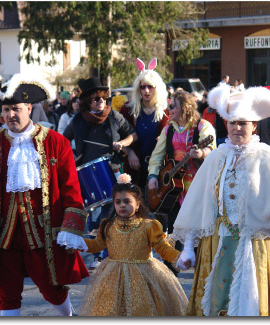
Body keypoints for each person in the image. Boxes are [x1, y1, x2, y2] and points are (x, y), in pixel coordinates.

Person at [0, 73, 90, 316]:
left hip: (42, 235)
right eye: (6, 109)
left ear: (29, 108)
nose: (11, 115)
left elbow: (71, 188)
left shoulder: (56, 142)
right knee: (7, 294)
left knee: (53, 289)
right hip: (4, 236)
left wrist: (70, 227)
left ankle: (70, 317)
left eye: (16, 109)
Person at [171, 85, 270, 316]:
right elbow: (198, 202)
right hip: (219, 241)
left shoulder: (269, 157)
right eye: (232, 123)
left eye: (242, 123)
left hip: (257, 244)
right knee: (218, 302)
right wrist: (189, 248)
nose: (237, 128)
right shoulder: (216, 156)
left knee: (252, 304)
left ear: (254, 126)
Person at [79, 173, 188, 316]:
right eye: (118, 202)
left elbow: (162, 247)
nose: (122, 205)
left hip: (143, 277)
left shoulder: (148, 226)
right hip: (113, 277)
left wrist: (178, 258)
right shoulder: (108, 225)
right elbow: (97, 245)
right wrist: (78, 243)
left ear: (137, 204)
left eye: (127, 201)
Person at [63, 77, 137, 270]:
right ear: (88, 101)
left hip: (111, 170)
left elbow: (132, 135)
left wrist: (122, 143)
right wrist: (72, 156)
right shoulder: (78, 120)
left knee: (110, 213)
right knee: (92, 215)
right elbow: (63, 141)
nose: (101, 101)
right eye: (96, 99)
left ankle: (108, 252)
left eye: (103, 98)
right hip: (87, 174)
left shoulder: (114, 117)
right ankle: (95, 254)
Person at [147, 90, 216, 236]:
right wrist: (153, 176)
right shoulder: (168, 129)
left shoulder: (203, 126)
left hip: (197, 187)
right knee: (174, 232)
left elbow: (211, 148)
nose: (168, 109)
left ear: (184, 108)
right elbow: (157, 156)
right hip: (172, 189)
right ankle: (172, 258)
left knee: (197, 233)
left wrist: (201, 153)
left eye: (172, 106)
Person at [119, 58, 169, 190]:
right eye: (143, 87)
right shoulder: (128, 109)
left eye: (150, 87)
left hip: (162, 169)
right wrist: (128, 151)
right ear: (138, 89)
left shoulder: (167, 109)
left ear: (156, 88)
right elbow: (117, 137)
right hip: (135, 170)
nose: (146, 91)